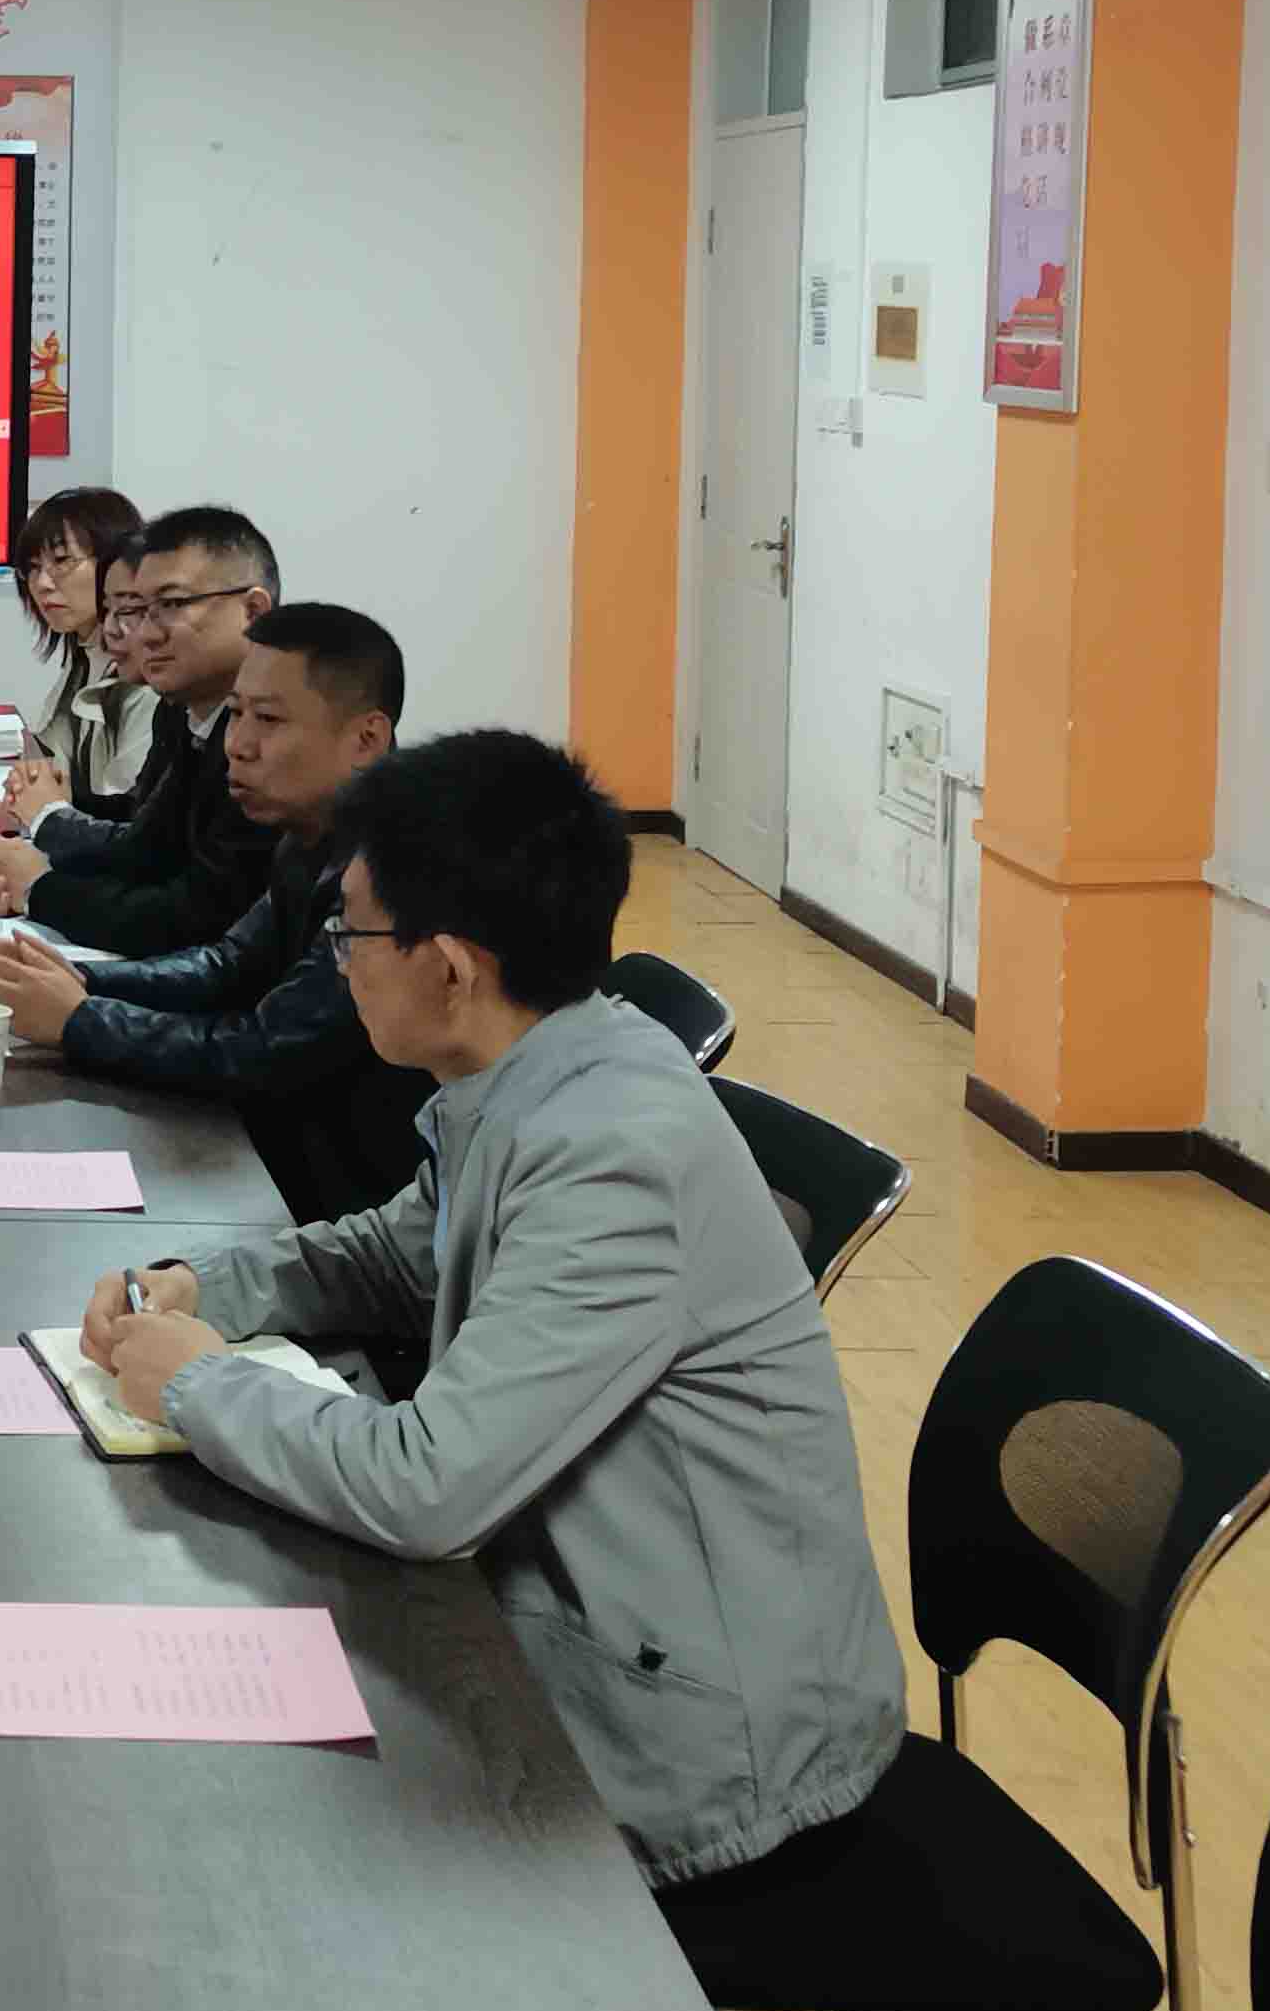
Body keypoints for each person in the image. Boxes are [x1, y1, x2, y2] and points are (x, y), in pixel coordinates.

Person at [66, 729, 903, 1900]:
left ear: (450, 969)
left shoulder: (613, 1154)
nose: (337, 961)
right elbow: (395, 1253)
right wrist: (206, 1288)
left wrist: (199, 1384)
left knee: (236, 1838)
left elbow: (426, 1486)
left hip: (704, 1752)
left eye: (352, 934)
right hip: (576, 1621)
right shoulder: (545, 1067)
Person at [0, 604, 433, 1223]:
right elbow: (227, 964)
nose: (238, 745)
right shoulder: (308, 830)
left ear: (366, 739)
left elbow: (263, 1054)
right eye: (236, 714)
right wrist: (78, 981)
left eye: (268, 720)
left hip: (347, 1207)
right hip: (274, 1156)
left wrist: (82, 1020)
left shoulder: (394, 871)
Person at [0, 504, 280, 956]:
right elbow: (147, 845)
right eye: (139, 611)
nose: (142, 635)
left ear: (252, 610)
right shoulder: (184, 708)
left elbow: (191, 920)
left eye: (170, 606)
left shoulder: (268, 740)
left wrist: (40, 884)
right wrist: (36, 849)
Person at [0, 486, 152, 831]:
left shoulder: (148, 678)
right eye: (32, 568)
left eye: (62, 561)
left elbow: (123, 814)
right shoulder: (85, 653)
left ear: (116, 564)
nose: (42, 583)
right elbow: (51, 763)